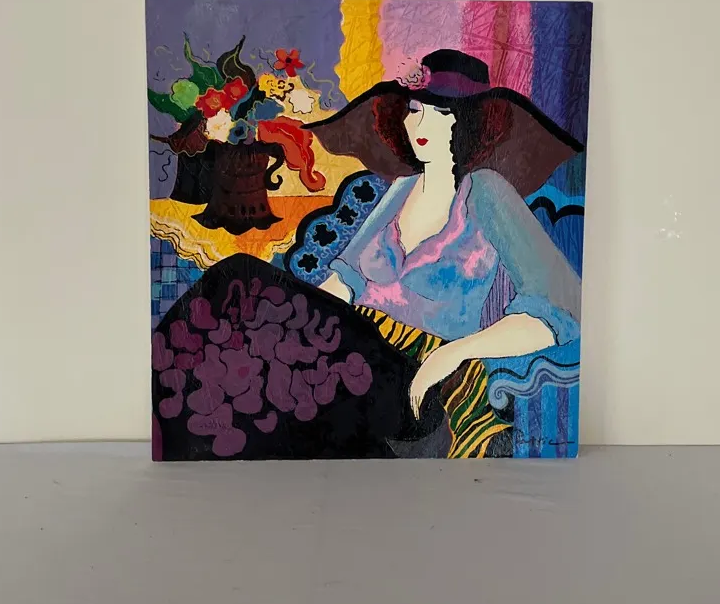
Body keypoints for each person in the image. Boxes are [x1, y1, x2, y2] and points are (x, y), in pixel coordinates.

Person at [152, 49, 583, 461]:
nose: (420, 123)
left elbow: (560, 310)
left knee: (243, 288)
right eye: (415, 109)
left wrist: (452, 354)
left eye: (440, 113)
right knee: (239, 291)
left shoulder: (486, 191)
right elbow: (343, 284)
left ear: (471, 123)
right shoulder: (401, 189)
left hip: (418, 375)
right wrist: (283, 325)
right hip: (351, 349)